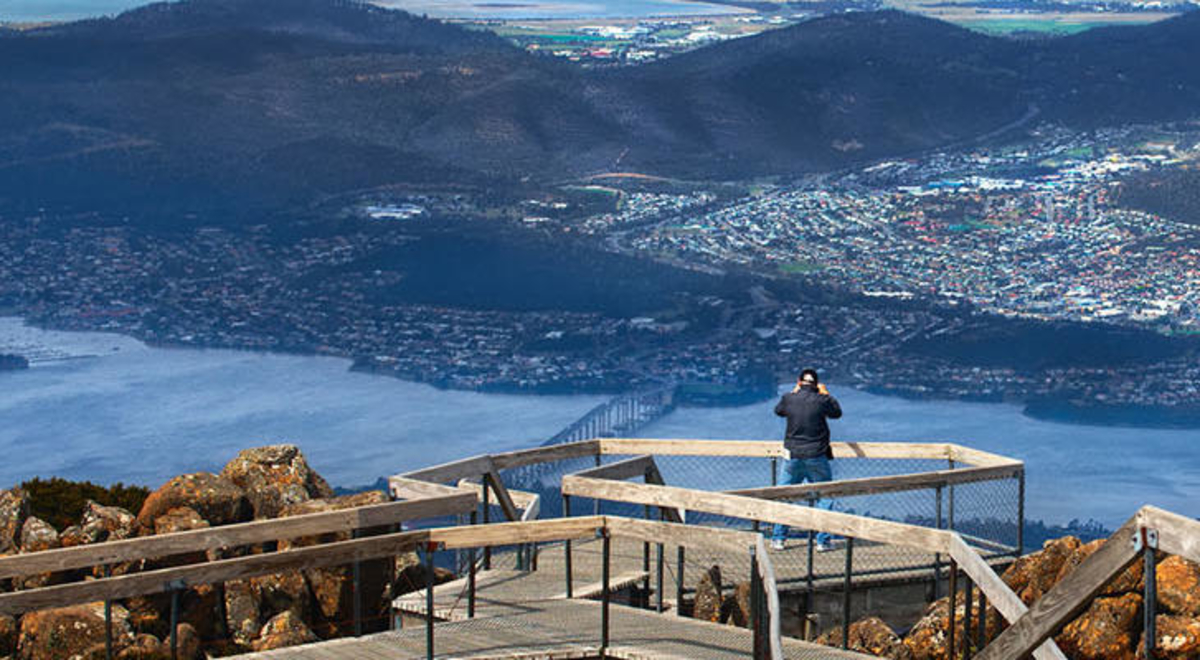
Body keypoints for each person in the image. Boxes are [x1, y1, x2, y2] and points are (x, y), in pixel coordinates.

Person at [770, 368, 841, 552]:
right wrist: (825, 393)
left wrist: (795, 392)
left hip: (792, 455)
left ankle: (778, 539)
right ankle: (823, 541)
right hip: (816, 455)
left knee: (785, 496)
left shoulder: (789, 398)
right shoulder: (822, 400)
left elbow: (779, 411)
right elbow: (836, 413)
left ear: (799, 382)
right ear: (816, 384)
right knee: (824, 496)